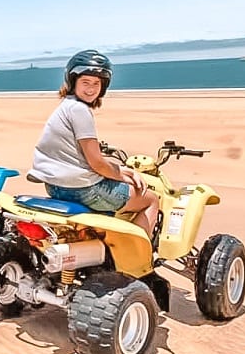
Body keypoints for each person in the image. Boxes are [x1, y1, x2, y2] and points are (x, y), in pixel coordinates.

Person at [27, 49, 159, 237]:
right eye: (85, 82)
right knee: (151, 199)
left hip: (55, 186)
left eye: (96, 83)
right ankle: (136, 262)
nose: (91, 88)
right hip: (82, 189)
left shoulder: (65, 107)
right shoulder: (80, 110)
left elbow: (79, 158)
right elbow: (96, 163)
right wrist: (123, 177)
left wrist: (120, 170)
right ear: (73, 82)